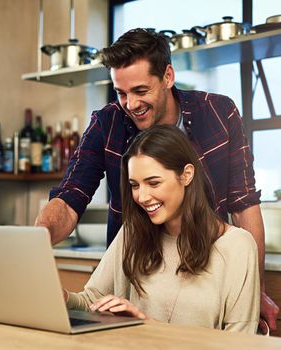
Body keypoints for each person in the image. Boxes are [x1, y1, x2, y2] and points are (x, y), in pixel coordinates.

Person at [35, 28, 279, 332]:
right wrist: (35, 244)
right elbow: (71, 196)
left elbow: (244, 204)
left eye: (140, 91)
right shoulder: (108, 125)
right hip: (142, 269)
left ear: (168, 77)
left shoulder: (217, 113)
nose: (130, 104)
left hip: (209, 268)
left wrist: (254, 292)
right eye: (121, 93)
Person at [64, 125, 260, 333]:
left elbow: (240, 343)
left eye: (153, 183)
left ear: (186, 175)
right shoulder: (132, 233)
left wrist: (147, 324)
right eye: (135, 185)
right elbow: (91, 301)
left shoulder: (237, 246)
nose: (142, 197)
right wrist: (62, 297)